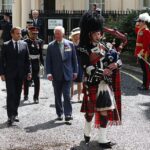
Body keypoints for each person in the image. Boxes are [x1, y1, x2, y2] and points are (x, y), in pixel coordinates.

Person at [79, 11, 122, 149]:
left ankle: (102, 138)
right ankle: (87, 130)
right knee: (90, 112)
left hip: (104, 85)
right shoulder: (83, 48)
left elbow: (118, 59)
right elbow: (87, 68)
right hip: (92, 83)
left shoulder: (106, 46)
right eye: (96, 33)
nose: (99, 35)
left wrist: (116, 64)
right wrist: (102, 72)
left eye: (100, 33)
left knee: (105, 110)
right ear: (89, 33)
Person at [0, 27, 31, 126]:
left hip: (20, 74)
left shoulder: (24, 44)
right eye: (17, 33)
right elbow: (1, 61)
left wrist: (29, 72)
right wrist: (2, 73)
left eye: (20, 33)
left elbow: (27, 60)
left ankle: (15, 113)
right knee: (11, 94)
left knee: (17, 94)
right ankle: (10, 116)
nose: (19, 35)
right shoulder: (5, 45)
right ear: (12, 34)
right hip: (9, 75)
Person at [46, 26, 78, 122]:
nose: (57, 35)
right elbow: (48, 61)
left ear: (63, 34)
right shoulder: (51, 46)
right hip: (56, 75)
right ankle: (59, 113)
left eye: (58, 34)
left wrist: (75, 71)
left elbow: (74, 59)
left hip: (67, 74)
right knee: (57, 95)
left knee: (67, 95)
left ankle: (68, 114)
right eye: (55, 34)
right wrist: (49, 73)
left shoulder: (70, 44)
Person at [24, 27, 44, 104]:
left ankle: (36, 97)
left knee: (37, 80)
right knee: (26, 79)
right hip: (28, 62)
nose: (35, 35)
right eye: (33, 34)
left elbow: (41, 53)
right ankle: (26, 94)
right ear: (29, 33)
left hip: (36, 62)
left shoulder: (40, 41)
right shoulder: (25, 42)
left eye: (36, 34)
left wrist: (42, 63)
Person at [135, 13, 150, 90]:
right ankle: (144, 84)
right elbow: (136, 30)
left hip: (144, 53)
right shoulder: (141, 29)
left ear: (144, 22)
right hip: (140, 52)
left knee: (146, 70)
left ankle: (146, 85)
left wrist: (141, 53)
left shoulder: (146, 31)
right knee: (144, 70)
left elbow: (146, 44)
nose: (138, 22)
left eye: (140, 21)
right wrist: (137, 22)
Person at [70, 27, 83, 102]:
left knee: (79, 81)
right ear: (73, 36)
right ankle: (71, 96)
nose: (77, 36)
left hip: (80, 63)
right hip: (71, 64)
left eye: (78, 34)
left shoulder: (82, 44)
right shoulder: (70, 44)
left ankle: (79, 96)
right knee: (71, 81)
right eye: (76, 34)